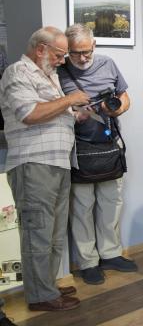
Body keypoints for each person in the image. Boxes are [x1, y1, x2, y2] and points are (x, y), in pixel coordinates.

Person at [0, 26, 89, 311]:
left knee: (52, 233)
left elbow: (53, 113)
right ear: (40, 49)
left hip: (57, 162)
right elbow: (29, 114)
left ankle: (47, 287)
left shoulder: (48, 75)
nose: (63, 60)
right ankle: (40, 296)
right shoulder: (18, 73)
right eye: (59, 54)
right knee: (38, 231)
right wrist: (70, 100)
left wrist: (76, 114)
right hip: (33, 164)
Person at [57, 23, 137, 285]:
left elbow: (125, 97)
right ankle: (88, 261)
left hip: (109, 144)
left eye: (86, 52)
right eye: (76, 53)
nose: (82, 58)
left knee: (111, 203)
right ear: (67, 51)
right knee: (82, 207)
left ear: (94, 46)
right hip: (77, 147)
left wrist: (116, 109)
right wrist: (71, 111)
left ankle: (111, 253)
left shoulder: (108, 63)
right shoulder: (59, 72)